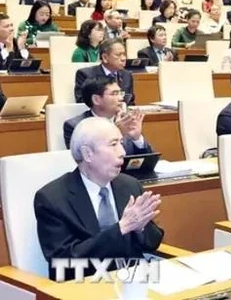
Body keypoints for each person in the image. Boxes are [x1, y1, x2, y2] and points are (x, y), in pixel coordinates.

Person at [34, 117, 164, 281]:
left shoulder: (129, 185)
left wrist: (140, 228)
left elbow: (153, 243)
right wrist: (121, 228)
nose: (123, 152)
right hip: (82, 285)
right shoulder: (52, 198)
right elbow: (63, 260)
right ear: (87, 154)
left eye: (121, 143)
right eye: (113, 144)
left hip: (134, 281)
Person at [64, 77, 152, 153]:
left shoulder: (127, 120)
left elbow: (150, 161)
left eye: (121, 93)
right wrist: (115, 132)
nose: (121, 98)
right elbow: (83, 161)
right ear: (96, 100)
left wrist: (137, 139)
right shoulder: (75, 126)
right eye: (114, 94)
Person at [74, 39, 135, 106]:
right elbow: (82, 103)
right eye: (118, 55)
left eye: (124, 54)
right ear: (105, 57)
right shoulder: (86, 74)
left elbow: (131, 102)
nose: (123, 58)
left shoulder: (127, 75)